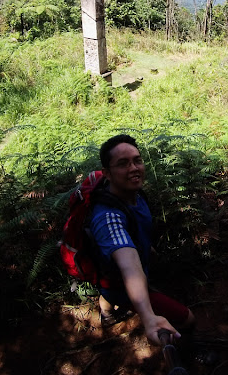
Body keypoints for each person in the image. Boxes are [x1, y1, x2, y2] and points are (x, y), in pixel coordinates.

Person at [89, 134, 196, 345]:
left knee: (108, 290)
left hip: (111, 276)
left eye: (137, 160)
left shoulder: (135, 194)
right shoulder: (108, 217)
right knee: (187, 319)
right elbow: (129, 265)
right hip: (122, 282)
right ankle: (189, 350)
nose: (134, 168)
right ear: (107, 174)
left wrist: (148, 249)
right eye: (123, 164)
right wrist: (148, 317)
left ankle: (107, 313)